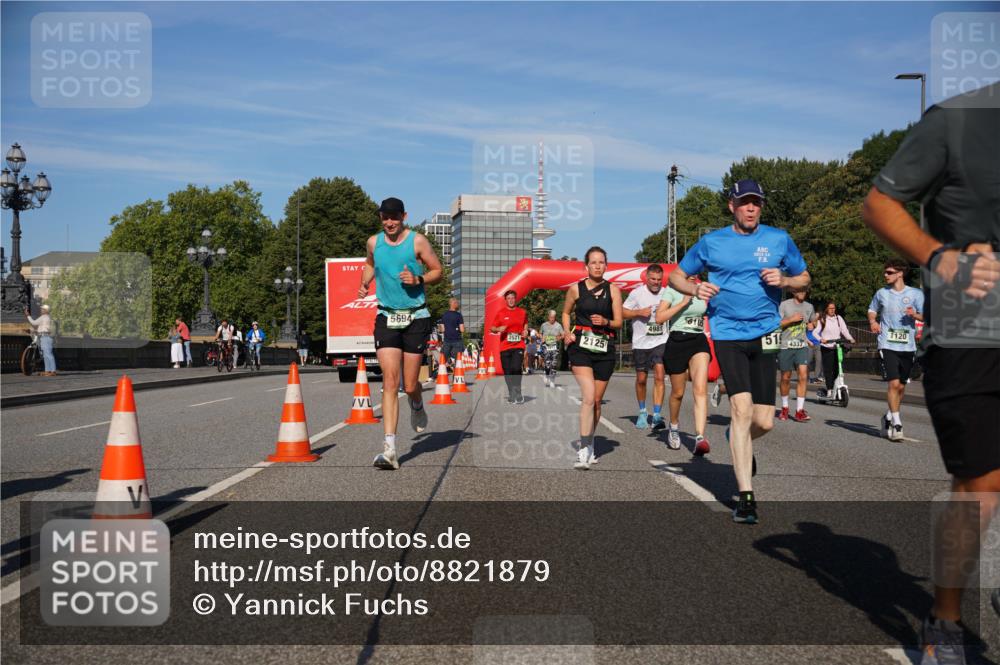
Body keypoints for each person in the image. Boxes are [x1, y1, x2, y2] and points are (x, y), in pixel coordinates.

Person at [862, 81, 1000, 665]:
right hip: (973, 332)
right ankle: (944, 617)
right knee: (983, 487)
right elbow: (878, 204)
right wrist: (940, 257)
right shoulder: (958, 120)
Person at [668, 178, 810, 524]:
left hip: (765, 333)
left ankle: (737, 436)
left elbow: (804, 278)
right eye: (744, 202)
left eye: (756, 203)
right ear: (731, 205)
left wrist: (787, 281)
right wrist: (695, 286)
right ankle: (746, 497)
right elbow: (676, 276)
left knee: (764, 421)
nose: (751, 208)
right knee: (741, 406)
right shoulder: (712, 242)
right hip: (728, 333)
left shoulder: (778, 239)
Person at [359, 197, 442, 471]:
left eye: (395, 217)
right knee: (390, 381)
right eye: (385, 217)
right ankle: (390, 448)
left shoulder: (417, 242)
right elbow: (370, 263)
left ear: (404, 216)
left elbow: (437, 271)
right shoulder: (374, 242)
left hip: (416, 316)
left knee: (409, 385)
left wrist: (418, 279)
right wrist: (365, 282)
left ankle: (416, 402)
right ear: (381, 217)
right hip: (386, 315)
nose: (390, 222)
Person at [562, 246, 623, 470]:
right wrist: (567, 332)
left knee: (596, 402)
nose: (598, 266)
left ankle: (590, 441)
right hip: (580, 348)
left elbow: (619, 321)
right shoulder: (575, 289)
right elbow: (566, 312)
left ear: (606, 265)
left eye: (601, 262)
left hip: (604, 348)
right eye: (593, 262)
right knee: (588, 397)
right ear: (586, 266)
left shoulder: (614, 291)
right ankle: (584, 448)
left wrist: (606, 322)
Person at [867, 258, 924, 441]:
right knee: (893, 383)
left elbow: (926, 315)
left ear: (900, 273)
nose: (885, 275)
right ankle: (897, 423)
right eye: (885, 272)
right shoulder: (881, 293)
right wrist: (873, 321)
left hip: (907, 345)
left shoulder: (916, 294)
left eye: (889, 272)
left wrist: (914, 314)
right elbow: (872, 309)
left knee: (901, 385)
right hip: (887, 343)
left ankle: (888, 416)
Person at [656, 272, 711, 454]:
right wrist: (682, 303)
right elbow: (659, 318)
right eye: (691, 269)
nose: (695, 273)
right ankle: (673, 426)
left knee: (700, 389)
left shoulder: (703, 288)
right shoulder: (672, 290)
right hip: (677, 341)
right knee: (678, 393)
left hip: (698, 340)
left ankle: (700, 437)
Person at [623, 264, 668, 432]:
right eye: (653, 279)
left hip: (660, 341)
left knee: (659, 375)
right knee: (641, 379)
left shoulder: (666, 293)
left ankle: (656, 415)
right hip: (641, 342)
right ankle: (643, 412)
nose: (656, 283)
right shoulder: (636, 294)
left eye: (659, 280)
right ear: (646, 278)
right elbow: (622, 312)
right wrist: (638, 312)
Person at [777, 287, 816, 422]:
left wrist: (812, 325)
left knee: (803, 375)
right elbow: (776, 324)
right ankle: (785, 408)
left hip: (802, 346)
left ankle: (799, 410)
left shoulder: (809, 306)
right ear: (793, 292)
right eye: (800, 291)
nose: (803, 293)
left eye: (804, 291)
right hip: (785, 346)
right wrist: (791, 319)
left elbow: (813, 321)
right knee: (786, 377)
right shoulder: (784, 305)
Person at [490, 289, 528, 403]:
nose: (511, 300)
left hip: (518, 345)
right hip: (505, 346)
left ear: (515, 299)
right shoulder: (501, 313)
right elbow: (492, 327)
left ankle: (518, 391)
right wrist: (498, 329)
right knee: (507, 371)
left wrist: (525, 330)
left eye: (513, 298)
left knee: (516, 368)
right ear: (505, 300)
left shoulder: (522, 312)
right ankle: (511, 392)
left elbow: (525, 323)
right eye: (509, 298)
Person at [815, 302, 856, 400]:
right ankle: (829, 390)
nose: (832, 310)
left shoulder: (839, 318)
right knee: (828, 370)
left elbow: (844, 330)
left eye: (833, 308)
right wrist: (821, 339)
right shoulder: (822, 320)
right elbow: (815, 332)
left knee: (838, 369)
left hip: (837, 347)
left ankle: (836, 387)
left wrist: (851, 339)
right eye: (830, 308)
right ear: (826, 309)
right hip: (827, 347)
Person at [24, 304, 57, 376]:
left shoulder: (44, 317)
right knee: (46, 354)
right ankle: (48, 371)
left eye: (42, 309)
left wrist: (28, 315)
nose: (41, 310)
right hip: (45, 337)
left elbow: (34, 323)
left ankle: (53, 371)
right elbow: (40, 328)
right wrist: (31, 330)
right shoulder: (48, 318)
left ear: (45, 310)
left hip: (46, 337)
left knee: (48, 354)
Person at [539, 310, 564, 388]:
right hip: (546, 346)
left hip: (554, 347)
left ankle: (552, 380)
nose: (552, 319)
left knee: (554, 364)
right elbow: (540, 333)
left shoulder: (558, 325)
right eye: (551, 317)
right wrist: (541, 338)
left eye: (553, 317)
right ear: (548, 317)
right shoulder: (544, 325)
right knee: (547, 363)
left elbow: (563, 335)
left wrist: (558, 338)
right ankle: (546, 374)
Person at [440, 298, 465, 368]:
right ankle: (457, 376)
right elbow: (462, 329)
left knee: (443, 359)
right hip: (457, 340)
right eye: (457, 303)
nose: (458, 304)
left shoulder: (444, 315)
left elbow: (442, 329)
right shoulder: (458, 315)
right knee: (458, 360)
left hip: (447, 340)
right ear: (453, 304)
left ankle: (442, 374)